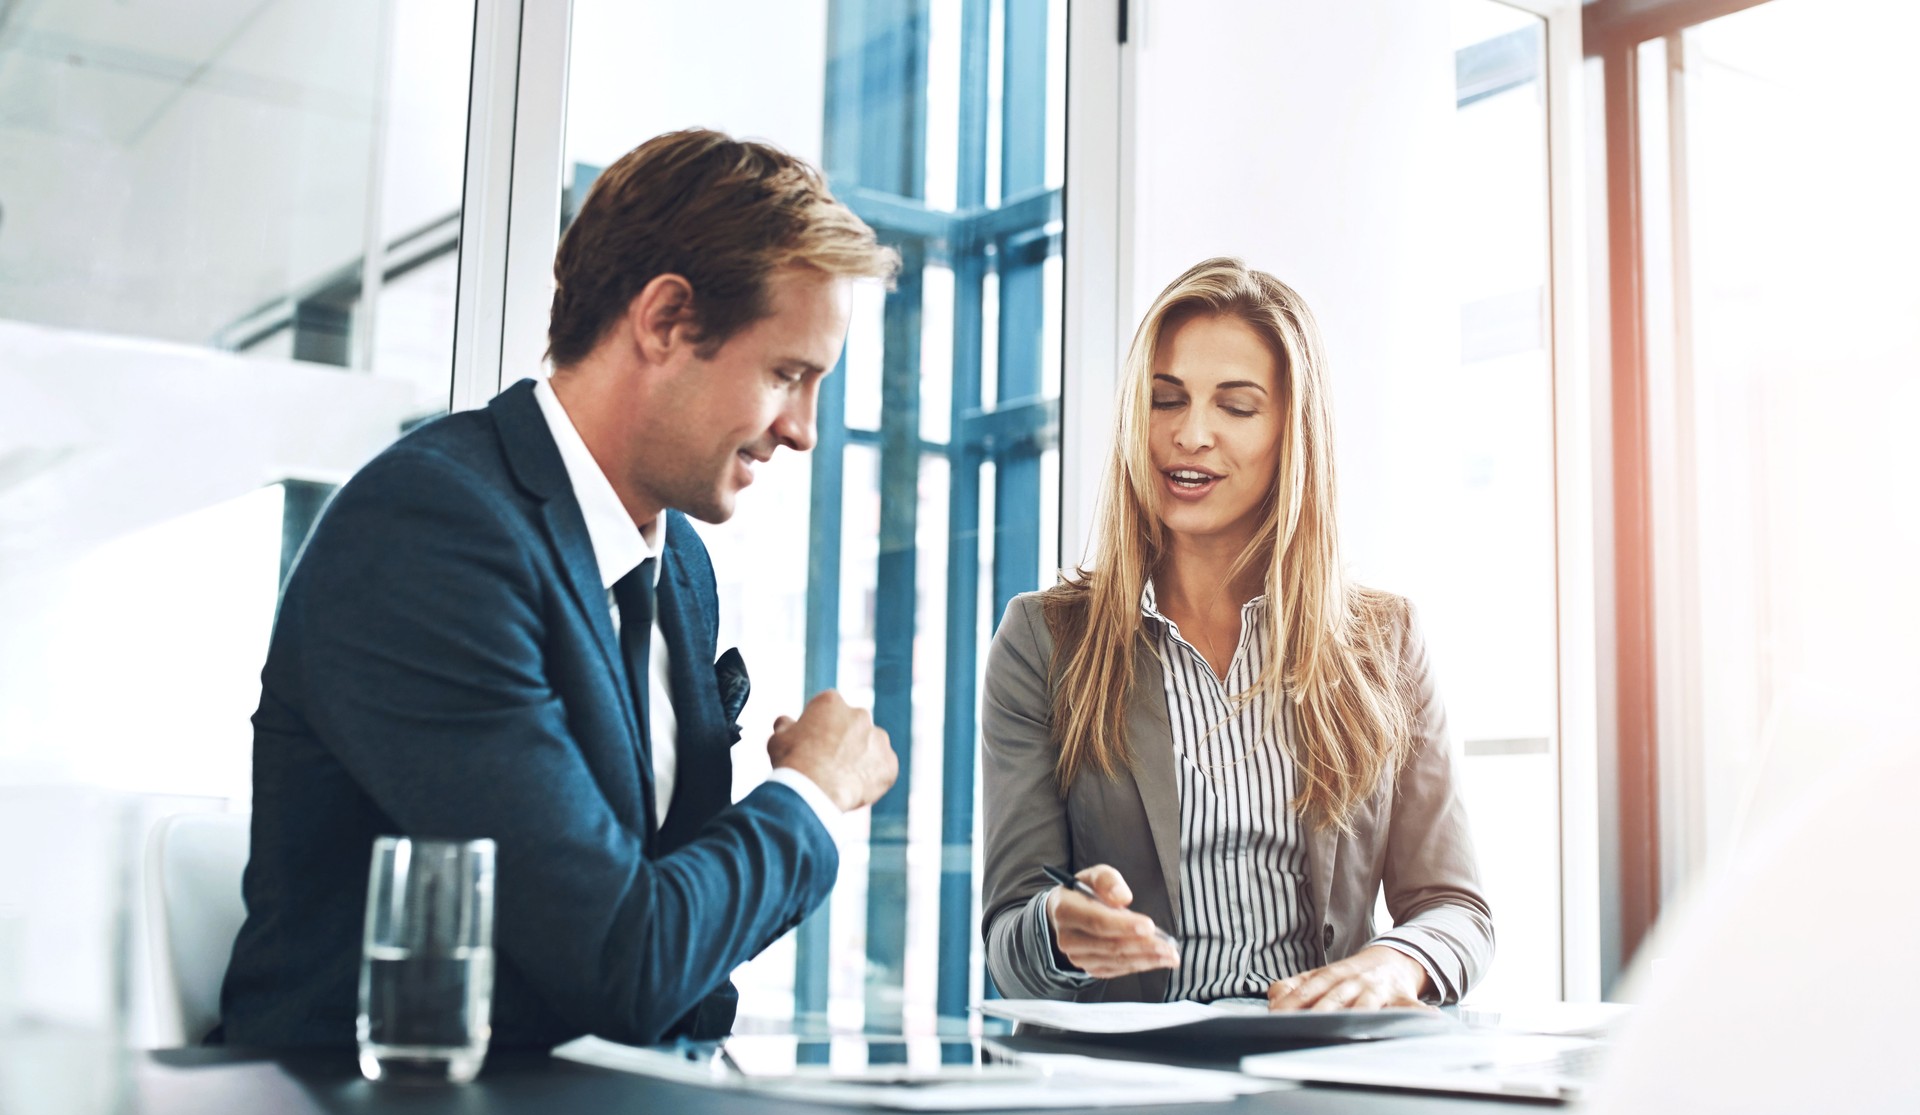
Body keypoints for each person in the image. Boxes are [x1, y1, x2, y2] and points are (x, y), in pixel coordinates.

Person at [220, 129, 900, 1048]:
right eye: (788, 374)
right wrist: (809, 794)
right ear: (664, 321)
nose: (805, 429)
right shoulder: (431, 534)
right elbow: (621, 960)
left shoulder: (677, 565)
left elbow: (678, 953)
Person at [981, 258, 1491, 1010]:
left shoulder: (1384, 639)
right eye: (1165, 400)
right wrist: (1057, 927)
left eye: (1237, 407)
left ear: (1292, 430)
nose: (1191, 434)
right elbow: (1008, 935)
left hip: (1317, 1069)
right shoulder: (1043, 640)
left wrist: (1392, 964)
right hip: (1132, 1085)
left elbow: (1455, 907)